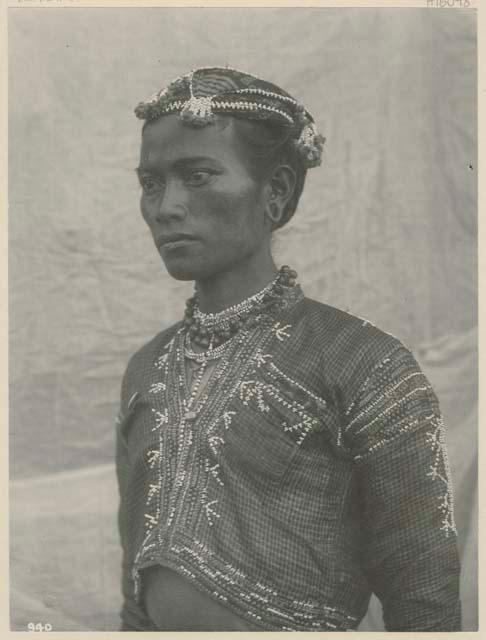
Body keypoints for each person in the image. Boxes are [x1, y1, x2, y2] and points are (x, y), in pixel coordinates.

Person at [115, 66, 461, 632]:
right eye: (151, 183)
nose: (166, 207)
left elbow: (424, 590)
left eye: (197, 176)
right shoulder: (147, 370)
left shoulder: (364, 363)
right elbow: (137, 580)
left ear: (275, 191)